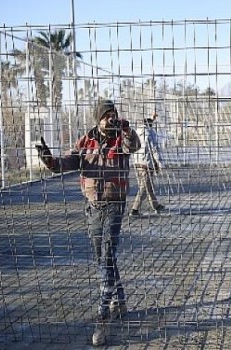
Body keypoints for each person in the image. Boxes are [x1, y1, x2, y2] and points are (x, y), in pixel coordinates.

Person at [35, 99, 140, 346]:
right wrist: (49, 160)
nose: (110, 119)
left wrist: (125, 128)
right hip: (93, 207)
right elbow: (66, 164)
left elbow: (133, 145)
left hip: (115, 204)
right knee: (104, 257)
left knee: (107, 254)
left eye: (114, 115)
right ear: (98, 119)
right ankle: (120, 299)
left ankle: (102, 319)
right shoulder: (85, 142)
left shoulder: (120, 140)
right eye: (106, 116)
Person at [130, 112, 165, 216]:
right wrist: (159, 163)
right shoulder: (150, 133)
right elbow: (154, 149)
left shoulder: (137, 132)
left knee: (148, 186)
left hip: (137, 163)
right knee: (144, 187)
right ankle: (134, 209)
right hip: (146, 163)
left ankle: (156, 205)